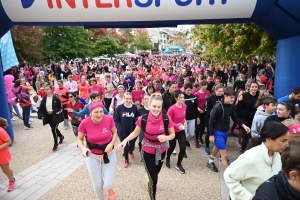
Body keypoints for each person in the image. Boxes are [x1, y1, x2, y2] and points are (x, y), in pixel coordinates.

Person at [117, 94, 175, 200]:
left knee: (155, 174)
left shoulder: (166, 119)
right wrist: (125, 140)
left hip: (161, 150)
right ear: (149, 105)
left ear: (161, 107)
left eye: (159, 107)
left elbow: (172, 135)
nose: (156, 109)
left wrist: (166, 137)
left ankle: (149, 176)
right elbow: (135, 133)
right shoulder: (143, 119)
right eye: (154, 106)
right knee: (154, 179)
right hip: (147, 150)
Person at [224, 121, 289, 200]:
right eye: (283, 141)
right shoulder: (250, 157)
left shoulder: (277, 155)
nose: (287, 144)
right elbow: (228, 176)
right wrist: (249, 197)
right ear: (269, 139)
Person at [78, 102, 117, 200]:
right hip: (92, 156)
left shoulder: (109, 119)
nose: (99, 114)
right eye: (96, 112)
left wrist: (111, 143)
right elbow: (79, 139)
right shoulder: (84, 123)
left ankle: (110, 190)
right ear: (90, 113)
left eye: (101, 111)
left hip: (109, 154)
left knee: (108, 184)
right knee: (98, 185)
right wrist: (83, 149)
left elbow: (115, 133)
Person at [206, 88, 250, 172]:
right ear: (225, 96)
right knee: (224, 155)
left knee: (217, 146)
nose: (233, 100)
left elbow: (235, 117)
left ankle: (210, 162)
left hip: (225, 131)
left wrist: (243, 125)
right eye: (230, 97)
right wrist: (211, 135)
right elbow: (210, 121)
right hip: (218, 132)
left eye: (233, 97)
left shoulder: (232, 106)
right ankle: (228, 175)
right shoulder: (218, 107)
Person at [114, 92, 138, 168]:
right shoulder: (120, 108)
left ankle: (131, 150)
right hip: (122, 130)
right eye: (127, 98)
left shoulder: (134, 107)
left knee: (132, 146)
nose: (128, 100)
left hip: (132, 130)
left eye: (130, 98)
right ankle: (126, 159)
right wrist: (118, 127)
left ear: (132, 99)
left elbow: (136, 118)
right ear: (124, 99)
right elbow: (116, 119)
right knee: (125, 146)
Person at [165, 90, 187, 174]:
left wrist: (184, 121)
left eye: (183, 97)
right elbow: (168, 120)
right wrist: (177, 125)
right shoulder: (172, 109)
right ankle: (167, 158)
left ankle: (178, 164)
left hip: (181, 130)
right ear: (176, 98)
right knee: (172, 146)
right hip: (172, 130)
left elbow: (183, 116)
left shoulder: (185, 106)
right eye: (180, 97)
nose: (182, 99)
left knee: (183, 147)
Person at [38, 85, 65, 151]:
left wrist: (54, 110)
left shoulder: (56, 98)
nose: (46, 91)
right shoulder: (44, 99)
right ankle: (61, 136)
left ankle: (56, 144)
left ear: (51, 90)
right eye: (45, 89)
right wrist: (41, 115)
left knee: (53, 129)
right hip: (48, 116)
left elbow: (60, 107)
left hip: (55, 116)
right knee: (54, 128)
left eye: (48, 89)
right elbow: (41, 109)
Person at [236, 82, 259, 152]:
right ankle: (243, 151)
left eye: (256, 87)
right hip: (244, 118)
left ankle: (250, 150)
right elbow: (238, 107)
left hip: (253, 119)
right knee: (246, 135)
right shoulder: (244, 95)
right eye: (252, 87)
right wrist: (238, 120)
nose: (254, 88)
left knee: (251, 135)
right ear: (249, 88)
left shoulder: (259, 97)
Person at [204, 83, 224, 155]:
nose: (221, 93)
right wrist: (214, 111)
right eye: (219, 91)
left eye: (222, 91)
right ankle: (207, 146)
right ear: (215, 90)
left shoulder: (223, 98)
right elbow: (206, 109)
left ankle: (217, 146)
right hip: (210, 118)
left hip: (219, 119)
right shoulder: (209, 98)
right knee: (209, 133)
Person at [183, 83, 200, 150]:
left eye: (190, 90)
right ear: (184, 90)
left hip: (192, 117)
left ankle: (185, 140)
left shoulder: (194, 97)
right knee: (184, 133)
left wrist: (198, 116)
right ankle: (183, 145)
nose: (189, 92)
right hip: (183, 118)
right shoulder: (181, 97)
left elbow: (195, 108)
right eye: (188, 90)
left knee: (192, 134)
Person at [0, 117, 15, 192]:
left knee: (5, 170)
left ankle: (11, 181)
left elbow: (9, 141)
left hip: (2, 154)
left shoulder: (1, 131)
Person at [194, 80, 210, 147]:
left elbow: (209, 101)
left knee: (203, 126)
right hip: (198, 112)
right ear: (201, 86)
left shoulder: (208, 92)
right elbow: (194, 104)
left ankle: (200, 137)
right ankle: (196, 140)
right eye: (204, 85)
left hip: (205, 112)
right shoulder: (196, 94)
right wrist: (198, 109)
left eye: (206, 85)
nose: (206, 86)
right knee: (197, 127)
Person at [137, 93, 150, 161]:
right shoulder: (140, 110)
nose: (147, 100)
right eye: (145, 99)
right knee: (140, 142)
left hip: (151, 130)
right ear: (143, 100)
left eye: (148, 99)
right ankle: (141, 153)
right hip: (142, 129)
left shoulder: (153, 109)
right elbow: (136, 119)